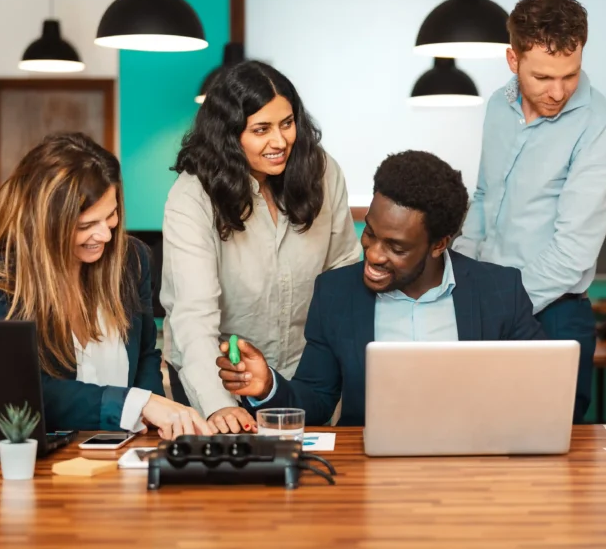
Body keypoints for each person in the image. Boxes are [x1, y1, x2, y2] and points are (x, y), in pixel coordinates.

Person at [215, 151, 546, 426]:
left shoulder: (500, 291)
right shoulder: (336, 293)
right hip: (369, 473)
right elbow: (316, 399)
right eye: (371, 233)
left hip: (479, 468)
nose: (372, 254)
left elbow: (540, 390)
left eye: (396, 247)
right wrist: (268, 386)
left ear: (439, 244)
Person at [0, 133, 211, 437]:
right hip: (46, 463)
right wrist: (137, 404)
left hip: (128, 451)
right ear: (44, 223)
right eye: (86, 225)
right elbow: (24, 393)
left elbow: (145, 354)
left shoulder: (133, 259)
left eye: (111, 214)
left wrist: (154, 415)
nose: (105, 235)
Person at [454, 0, 606, 423]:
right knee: (473, 443)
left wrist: (492, 309)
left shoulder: (600, 128)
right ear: (513, 60)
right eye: (543, 77)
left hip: (551, 315)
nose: (558, 92)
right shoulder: (498, 105)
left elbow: (572, 256)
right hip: (485, 304)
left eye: (570, 75)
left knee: (548, 467)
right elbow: (483, 198)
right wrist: (455, 282)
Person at [161, 61, 361, 434]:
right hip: (220, 380)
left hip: (306, 381)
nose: (280, 141)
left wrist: (339, 372)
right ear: (228, 134)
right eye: (261, 129)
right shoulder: (193, 195)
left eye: (287, 123)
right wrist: (218, 405)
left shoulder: (322, 171)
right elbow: (193, 315)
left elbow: (343, 275)